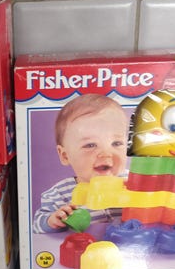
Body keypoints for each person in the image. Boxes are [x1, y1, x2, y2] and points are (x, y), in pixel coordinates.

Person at [33, 94, 129, 234]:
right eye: (90, 145)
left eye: (116, 143)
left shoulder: (132, 182)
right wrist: (52, 220)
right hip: (81, 246)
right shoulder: (58, 195)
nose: (106, 153)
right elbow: (36, 225)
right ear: (65, 156)